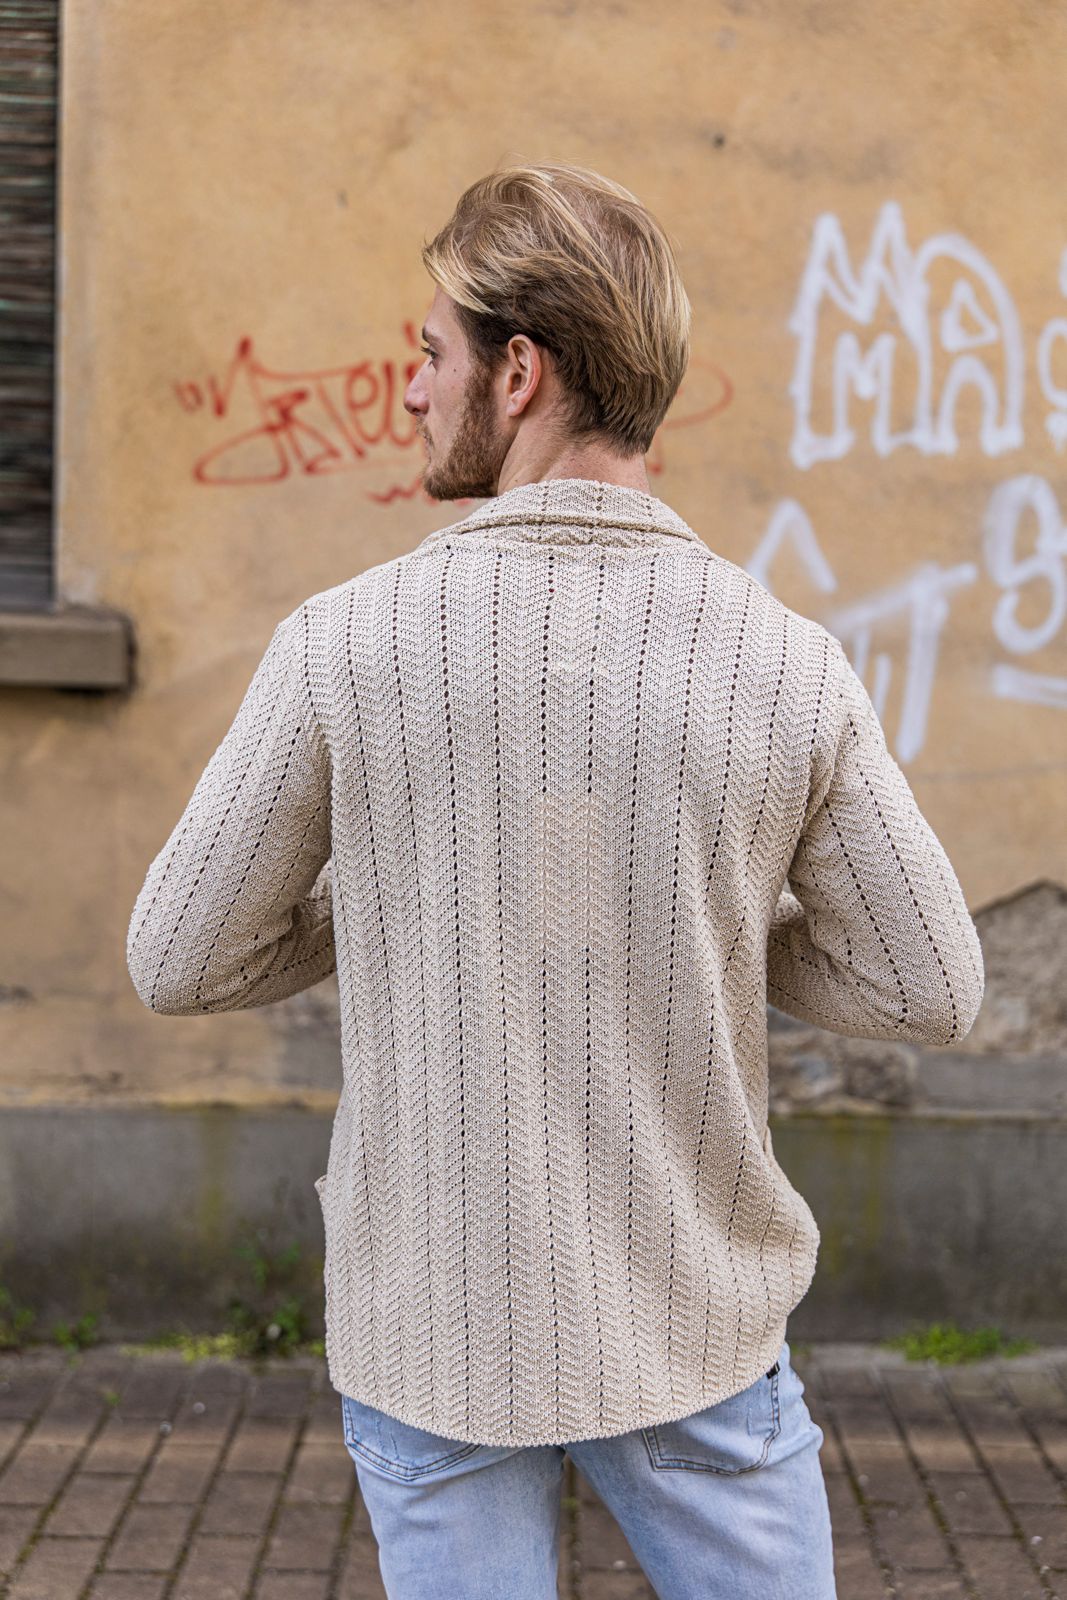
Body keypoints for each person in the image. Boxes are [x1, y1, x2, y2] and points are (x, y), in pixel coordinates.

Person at [127, 162, 985, 1599]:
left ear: (518, 373)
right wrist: (706, 908)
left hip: (436, 1326)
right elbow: (929, 985)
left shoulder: (346, 644)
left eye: (430, 353)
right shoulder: (785, 660)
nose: (411, 389)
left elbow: (183, 955)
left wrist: (417, 891)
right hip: (692, 1323)